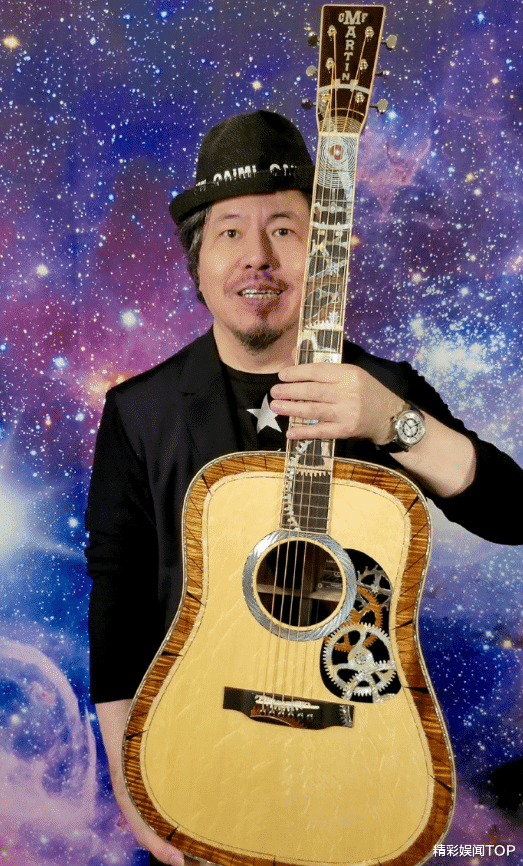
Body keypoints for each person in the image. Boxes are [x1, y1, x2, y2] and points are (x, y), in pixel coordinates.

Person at [85, 111, 523, 866]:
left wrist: (394, 423)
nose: (257, 256)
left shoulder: (384, 389)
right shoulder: (138, 412)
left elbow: (514, 514)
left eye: (284, 230)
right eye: (230, 231)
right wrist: (136, 790)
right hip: (200, 751)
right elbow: (116, 600)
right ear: (199, 261)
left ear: (324, 258)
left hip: (354, 751)